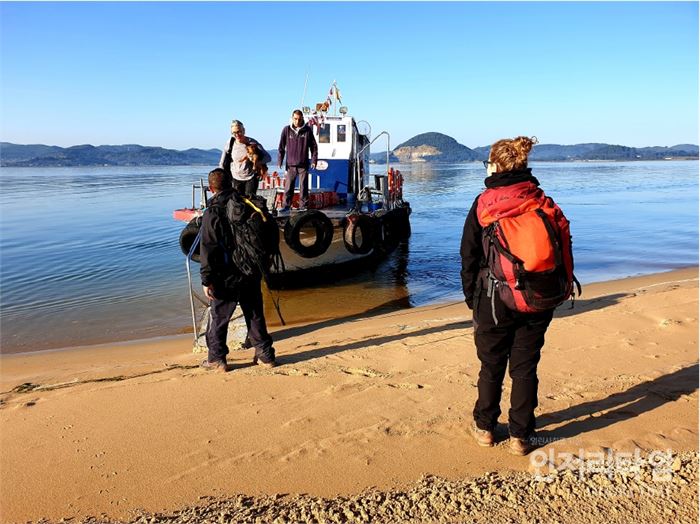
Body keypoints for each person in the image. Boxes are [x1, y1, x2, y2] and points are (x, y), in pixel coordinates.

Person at [460, 136, 557, 456]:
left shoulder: (484, 203)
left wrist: (470, 296)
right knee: (525, 367)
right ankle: (520, 436)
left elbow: (469, 255)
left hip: (493, 299)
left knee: (491, 366)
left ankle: (486, 429)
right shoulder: (541, 200)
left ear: (495, 165)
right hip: (536, 296)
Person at [199, 167, 276, 371]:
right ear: (231, 184)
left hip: (226, 274)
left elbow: (208, 247)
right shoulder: (248, 204)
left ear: (211, 188)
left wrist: (206, 280)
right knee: (254, 313)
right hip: (250, 269)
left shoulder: (213, 211)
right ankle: (265, 356)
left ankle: (216, 359)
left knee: (220, 316)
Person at [277, 109, 318, 212]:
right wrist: (280, 160)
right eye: (295, 119)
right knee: (288, 187)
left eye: (299, 119)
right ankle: (286, 206)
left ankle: (303, 206)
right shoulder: (286, 130)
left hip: (303, 165)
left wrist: (314, 160)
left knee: (303, 187)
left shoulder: (307, 130)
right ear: (292, 118)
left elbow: (314, 147)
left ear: (302, 119)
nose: (297, 121)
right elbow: (281, 147)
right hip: (290, 165)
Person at [219, 120, 271, 197]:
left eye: (239, 131)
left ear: (244, 131)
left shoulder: (252, 143)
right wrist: (220, 177)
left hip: (251, 177)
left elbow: (268, 158)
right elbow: (222, 162)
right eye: (234, 133)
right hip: (235, 177)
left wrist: (257, 162)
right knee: (237, 202)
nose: (237, 135)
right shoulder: (230, 143)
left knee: (250, 202)